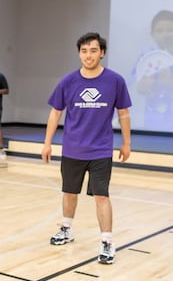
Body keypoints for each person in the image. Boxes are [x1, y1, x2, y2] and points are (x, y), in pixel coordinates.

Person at [42, 32, 132, 264]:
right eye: (84, 51)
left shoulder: (115, 81)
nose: (88, 55)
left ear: (102, 53)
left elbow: (123, 114)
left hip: (101, 150)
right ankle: (66, 229)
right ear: (79, 53)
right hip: (73, 149)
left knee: (101, 196)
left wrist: (127, 142)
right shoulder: (68, 81)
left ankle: (107, 242)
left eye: (93, 50)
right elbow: (55, 113)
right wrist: (47, 143)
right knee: (69, 192)